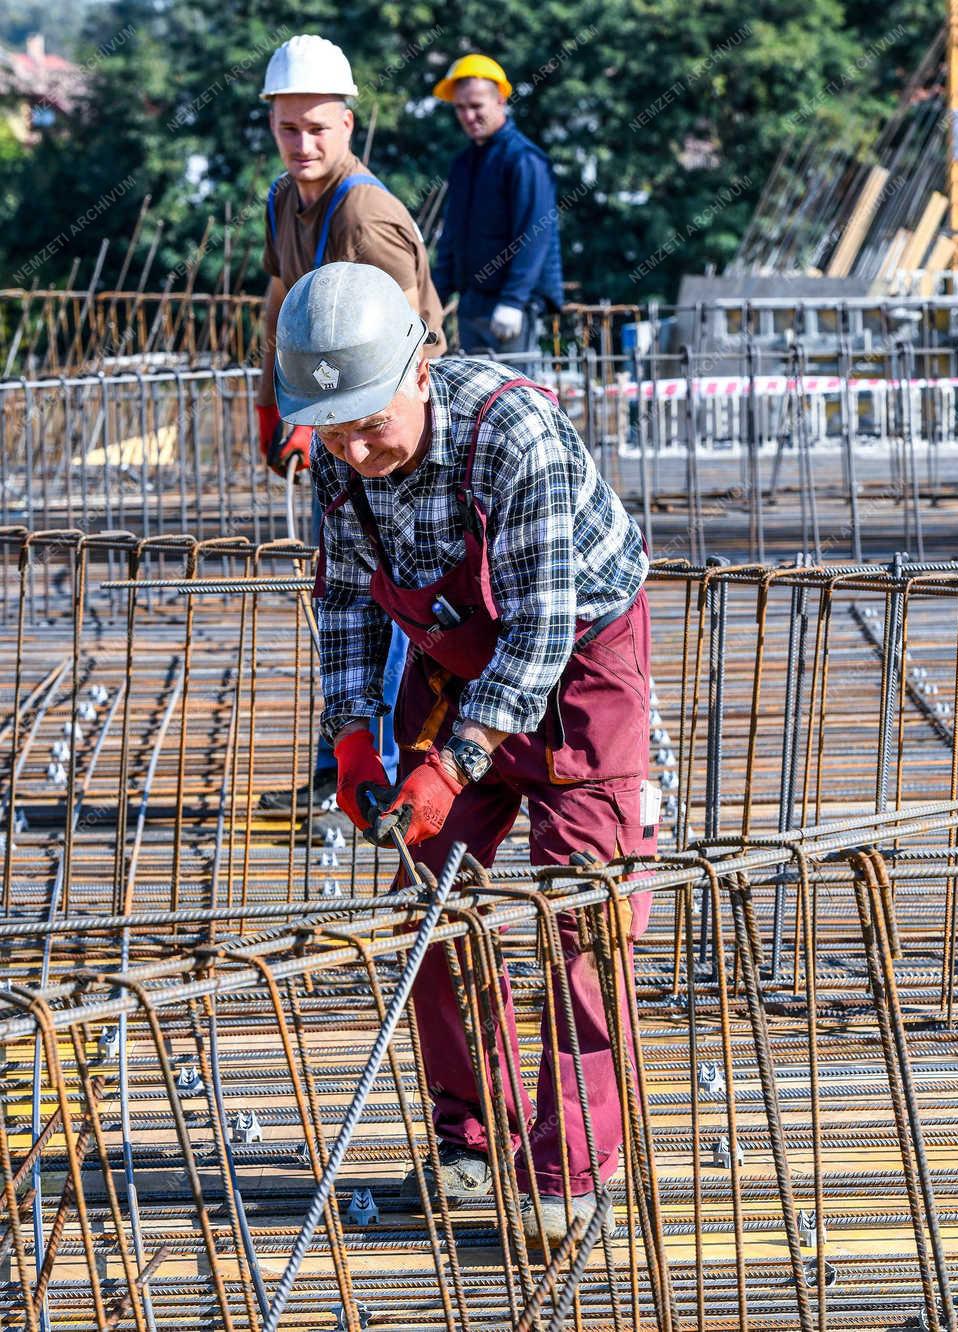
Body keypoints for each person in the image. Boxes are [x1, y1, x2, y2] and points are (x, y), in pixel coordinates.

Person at [274, 260, 655, 1246]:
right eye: (338, 429)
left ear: (418, 369)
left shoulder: (510, 438)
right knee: (434, 900)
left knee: (586, 916)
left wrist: (456, 762)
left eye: (371, 421)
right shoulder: (335, 458)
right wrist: (354, 739)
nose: (356, 447)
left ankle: (566, 1169)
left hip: (576, 669)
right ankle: (469, 1138)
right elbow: (348, 601)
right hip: (449, 660)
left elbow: (536, 633)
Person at [254, 34, 445, 822]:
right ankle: (350, 755)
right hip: (334, 421)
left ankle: (387, 769)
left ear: (349, 123)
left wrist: (350, 430)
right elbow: (277, 299)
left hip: (392, 434)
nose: (303, 144)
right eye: (288, 127)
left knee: (391, 594)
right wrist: (273, 405)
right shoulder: (282, 200)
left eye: (318, 128)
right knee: (345, 589)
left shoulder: (364, 216)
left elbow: (402, 354)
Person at [431, 53, 563, 359]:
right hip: (473, 303)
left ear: (501, 100)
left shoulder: (524, 160)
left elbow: (535, 235)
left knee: (515, 399)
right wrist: (434, 298)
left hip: (513, 308)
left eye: (476, 106)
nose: (467, 115)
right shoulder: (464, 164)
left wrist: (514, 301)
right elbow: (452, 237)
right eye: (460, 108)